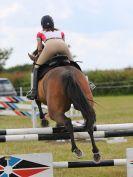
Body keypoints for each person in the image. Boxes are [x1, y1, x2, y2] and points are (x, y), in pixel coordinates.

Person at [27, 15, 73, 100]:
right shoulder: (61, 32)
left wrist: (39, 54)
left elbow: (39, 48)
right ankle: (87, 83)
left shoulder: (40, 33)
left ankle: (34, 91)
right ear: (53, 23)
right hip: (63, 46)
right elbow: (62, 43)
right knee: (73, 63)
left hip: (49, 47)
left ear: (42, 24)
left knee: (36, 67)